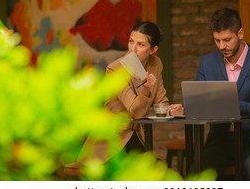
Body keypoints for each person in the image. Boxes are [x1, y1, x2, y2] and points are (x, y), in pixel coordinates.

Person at [78, 21, 183, 161]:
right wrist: (146, 88)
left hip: (137, 136)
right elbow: (136, 111)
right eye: (131, 41)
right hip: (112, 141)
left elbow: (161, 100)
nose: (133, 49)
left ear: (153, 49)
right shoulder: (115, 69)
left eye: (140, 44)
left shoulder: (156, 64)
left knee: (159, 173)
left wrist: (169, 109)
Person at [196, 8, 250, 181]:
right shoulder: (207, 63)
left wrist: (229, 102)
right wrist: (186, 107)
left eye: (227, 40)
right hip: (221, 140)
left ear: (240, 33)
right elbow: (200, 103)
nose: (221, 46)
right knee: (198, 170)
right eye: (217, 40)